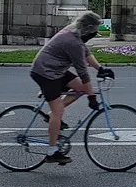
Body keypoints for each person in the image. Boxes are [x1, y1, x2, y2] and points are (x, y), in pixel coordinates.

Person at [29, 11, 113, 165]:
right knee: (58, 110)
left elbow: (86, 53)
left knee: (81, 88)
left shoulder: (75, 33)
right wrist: (92, 97)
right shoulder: (72, 42)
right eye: (94, 31)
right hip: (45, 72)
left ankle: (51, 117)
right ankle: (52, 151)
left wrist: (100, 68)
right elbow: (83, 73)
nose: (95, 34)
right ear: (87, 29)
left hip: (55, 69)